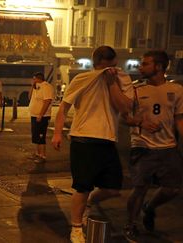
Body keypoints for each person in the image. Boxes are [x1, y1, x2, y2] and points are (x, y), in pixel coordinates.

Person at [51, 46, 133, 243]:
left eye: (112, 66)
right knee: (82, 186)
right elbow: (64, 108)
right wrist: (57, 133)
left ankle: (87, 204)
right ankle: (77, 227)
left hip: (108, 139)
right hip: (83, 138)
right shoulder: (82, 79)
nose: (109, 70)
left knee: (113, 188)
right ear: (97, 64)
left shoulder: (121, 79)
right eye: (105, 67)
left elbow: (124, 107)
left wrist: (112, 83)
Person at [122, 51, 183, 242]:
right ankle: (130, 225)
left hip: (168, 147)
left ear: (158, 67)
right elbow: (123, 118)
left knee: (172, 189)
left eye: (145, 64)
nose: (140, 67)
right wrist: (140, 123)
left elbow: (179, 119)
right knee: (140, 187)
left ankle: (150, 207)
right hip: (142, 147)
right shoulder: (135, 90)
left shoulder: (178, 90)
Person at [28, 72, 55, 163]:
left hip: (42, 116)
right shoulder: (37, 87)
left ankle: (42, 155)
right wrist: (32, 86)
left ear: (38, 79)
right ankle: (37, 153)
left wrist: (41, 114)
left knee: (40, 136)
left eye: (34, 79)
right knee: (35, 135)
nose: (33, 80)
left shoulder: (46, 86)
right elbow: (29, 97)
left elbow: (47, 101)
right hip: (34, 115)